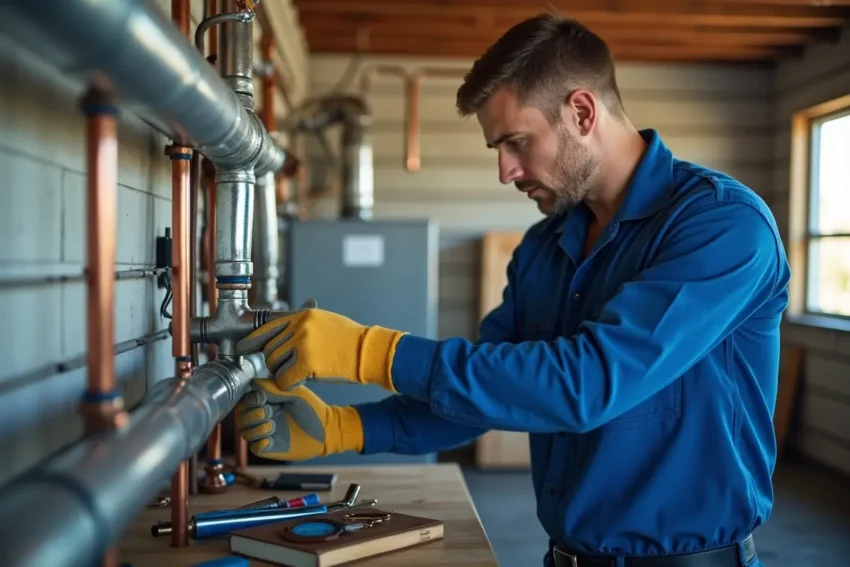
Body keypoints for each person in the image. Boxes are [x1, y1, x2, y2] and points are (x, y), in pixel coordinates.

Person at [234, 13, 789, 567]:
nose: (505, 171)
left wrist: (370, 352)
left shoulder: (722, 227)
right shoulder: (543, 249)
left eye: (516, 142)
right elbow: (489, 393)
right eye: (497, 149)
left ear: (581, 111)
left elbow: (588, 383)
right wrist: (345, 427)